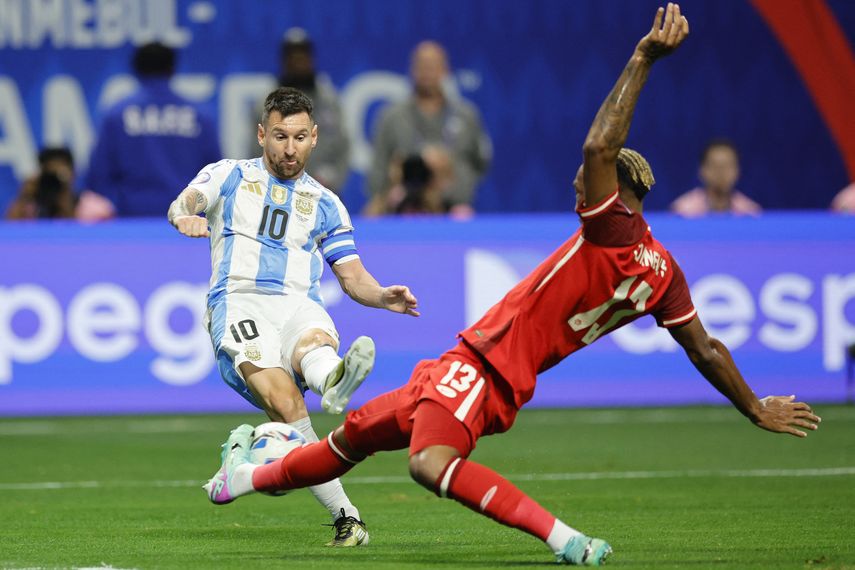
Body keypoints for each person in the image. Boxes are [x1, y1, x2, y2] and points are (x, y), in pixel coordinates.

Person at [204, 6, 821, 565]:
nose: (578, 185)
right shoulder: (664, 275)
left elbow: (600, 141)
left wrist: (642, 59)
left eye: (587, 180)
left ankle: (564, 539)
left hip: (485, 368)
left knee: (427, 463)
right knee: (353, 437)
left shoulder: (610, 227)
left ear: (618, 195)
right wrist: (752, 406)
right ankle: (242, 477)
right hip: (470, 366)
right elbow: (706, 349)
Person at [169, 87, 419, 546]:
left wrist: (383, 296)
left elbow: (352, 276)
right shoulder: (228, 175)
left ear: (315, 137)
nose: (290, 148)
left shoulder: (325, 203)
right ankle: (344, 503)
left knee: (313, 345)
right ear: (262, 134)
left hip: (297, 304)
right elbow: (184, 201)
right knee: (287, 407)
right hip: (239, 303)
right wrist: (185, 216)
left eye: (300, 137)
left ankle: (333, 381)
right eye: (280, 136)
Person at [84, 42, 221, 218]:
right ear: (172, 68)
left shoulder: (116, 115)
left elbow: (98, 178)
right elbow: (217, 176)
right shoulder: (200, 116)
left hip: (132, 224)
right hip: (188, 223)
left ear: (136, 68)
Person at [365, 40, 492, 217]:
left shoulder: (466, 115)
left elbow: (481, 162)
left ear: (445, 70)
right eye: (422, 66)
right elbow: (378, 166)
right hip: (404, 212)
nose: (427, 72)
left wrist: (450, 171)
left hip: (455, 210)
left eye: (433, 66)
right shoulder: (392, 117)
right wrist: (383, 195)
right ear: (412, 70)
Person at [246, 28, 350, 194]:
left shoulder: (328, 101)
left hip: (323, 191)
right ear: (284, 61)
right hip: (276, 192)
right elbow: (254, 151)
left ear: (311, 59)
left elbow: (343, 146)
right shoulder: (265, 103)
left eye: (303, 56)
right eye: (293, 57)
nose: (298, 61)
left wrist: (329, 177)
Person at [670, 138, 761, 216]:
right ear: (702, 170)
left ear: (737, 170)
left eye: (727, 166)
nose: (721, 172)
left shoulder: (750, 213)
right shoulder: (683, 212)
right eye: (715, 166)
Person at [5, 147, 76, 220]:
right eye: (49, 175)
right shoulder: (30, 205)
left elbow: (77, 228)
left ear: (72, 173)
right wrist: (23, 197)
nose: (52, 181)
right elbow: (10, 226)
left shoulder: (85, 204)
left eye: (58, 175)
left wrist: (64, 192)